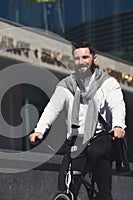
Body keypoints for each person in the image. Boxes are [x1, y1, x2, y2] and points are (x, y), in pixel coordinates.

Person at [29, 42, 126, 200]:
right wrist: (39, 130)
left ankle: (104, 195)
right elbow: (52, 108)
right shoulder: (66, 85)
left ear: (94, 59)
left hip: (99, 137)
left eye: (85, 57)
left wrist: (118, 126)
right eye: (77, 58)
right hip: (76, 139)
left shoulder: (108, 83)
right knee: (65, 187)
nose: (81, 61)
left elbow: (117, 105)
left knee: (99, 161)